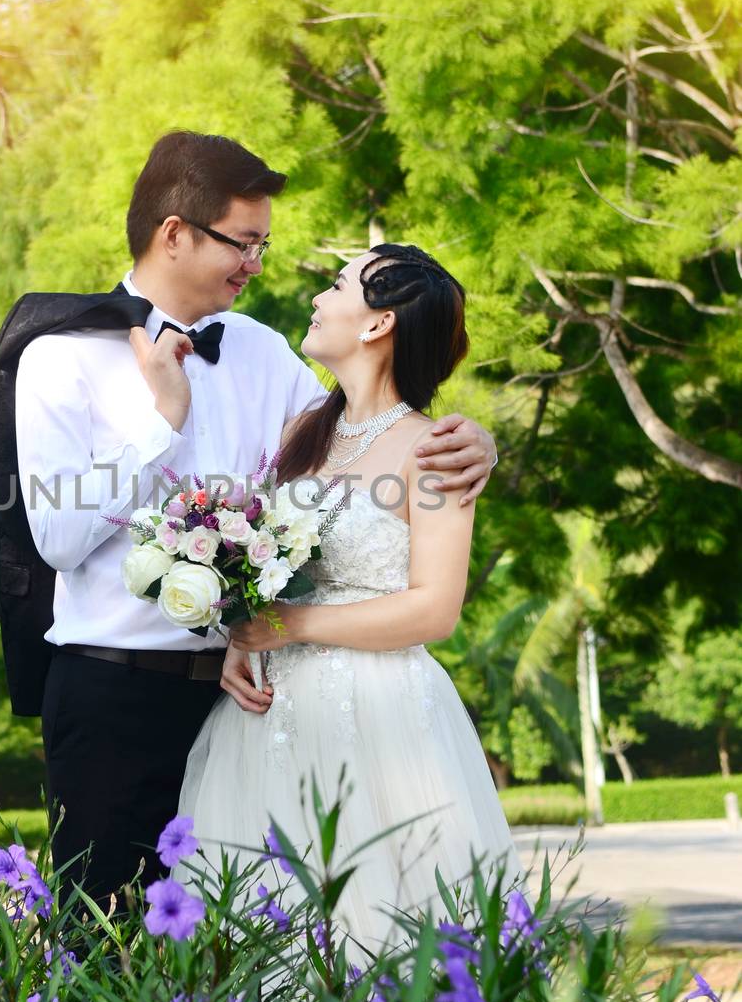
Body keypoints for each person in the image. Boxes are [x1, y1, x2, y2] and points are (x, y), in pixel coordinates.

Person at [16, 132, 498, 909]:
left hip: (248, 704)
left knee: (236, 952)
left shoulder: (264, 351)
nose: (258, 265)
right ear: (175, 233)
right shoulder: (61, 357)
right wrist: (161, 424)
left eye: (264, 244)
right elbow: (59, 537)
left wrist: (474, 444)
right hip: (113, 698)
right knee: (98, 950)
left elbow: (358, 453)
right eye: (245, 243)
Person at [174, 242, 524, 953]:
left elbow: (435, 608)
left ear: (377, 325)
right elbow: (266, 567)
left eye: (336, 285)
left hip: (381, 717)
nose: (316, 298)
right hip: (268, 718)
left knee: (381, 926)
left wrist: (293, 623)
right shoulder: (300, 436)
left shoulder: (434, 450)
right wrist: (242, 639)